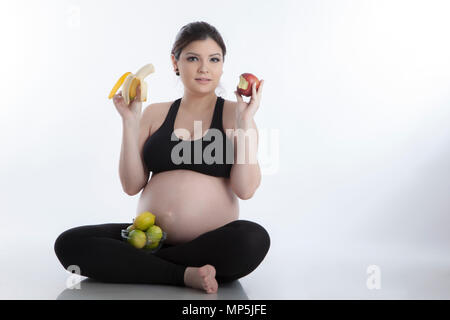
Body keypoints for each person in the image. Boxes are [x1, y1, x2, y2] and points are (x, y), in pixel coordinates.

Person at [54, 21, 269, 294]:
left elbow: (246, 189)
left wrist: (246, 121)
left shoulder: (234, 114)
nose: (204, 68)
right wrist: (130, 122)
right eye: (193, 58)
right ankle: (182, 274)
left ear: (222, 66)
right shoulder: (155, 113)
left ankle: (141, 267)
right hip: (147, 238)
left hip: (210, 243)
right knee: (70, 243)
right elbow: (132, 185)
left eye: (214, 59)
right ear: (175, 63)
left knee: (252, 238)